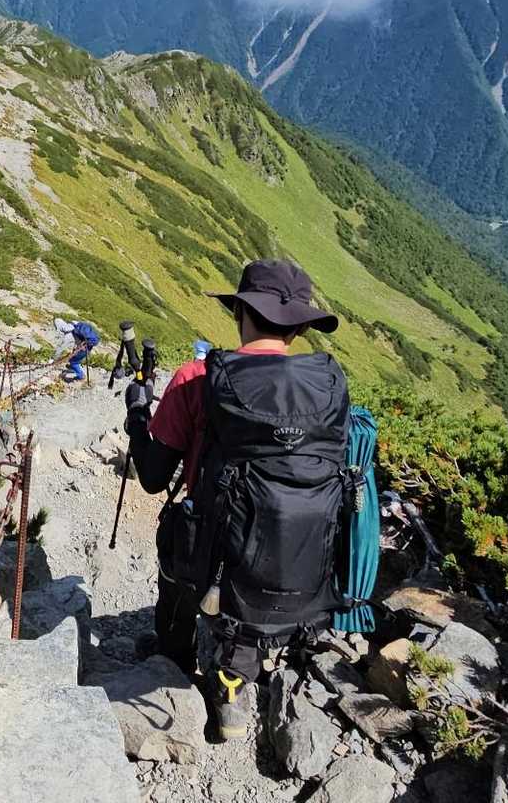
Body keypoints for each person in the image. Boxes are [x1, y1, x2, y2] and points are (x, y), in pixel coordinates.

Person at [125, 259, 347, 741]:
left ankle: (174, 660)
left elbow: (153, 477)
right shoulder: (324, 390)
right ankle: (232, 689)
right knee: (250, 588)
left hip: (209, 553)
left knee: (177, 559)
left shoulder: (196, 377)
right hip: (296, 550)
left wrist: (138, 417)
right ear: (300, 328)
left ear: (239, 313)